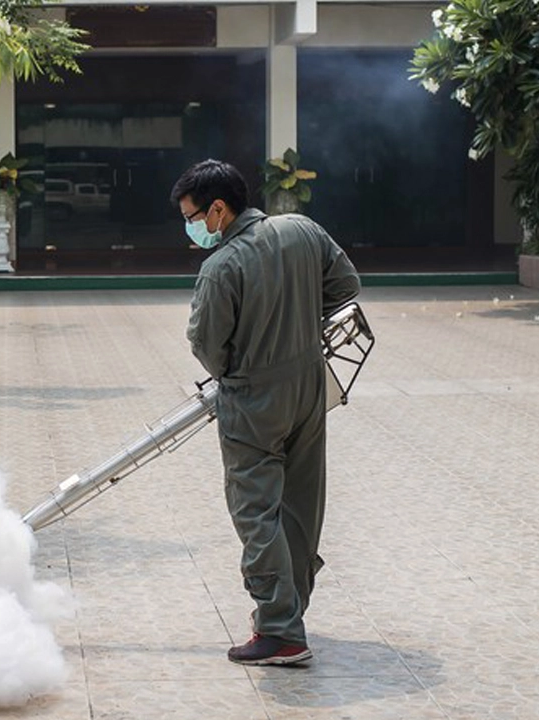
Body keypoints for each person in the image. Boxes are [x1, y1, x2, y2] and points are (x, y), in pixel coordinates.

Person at [170, 159, 360, 666]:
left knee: (257, 511)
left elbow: (208, 347)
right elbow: (346, 287)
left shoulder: (221, 267)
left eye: (193, 217)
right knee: (300, 505)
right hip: (309, 387)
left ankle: (280, 631)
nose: (191, 229)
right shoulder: (302, 230)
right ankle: (291, 610)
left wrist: (244, 363)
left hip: (253, 401)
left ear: (218, 209)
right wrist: (300, 323)